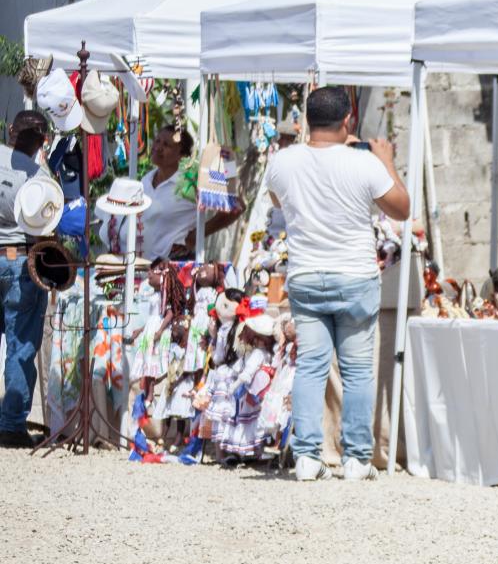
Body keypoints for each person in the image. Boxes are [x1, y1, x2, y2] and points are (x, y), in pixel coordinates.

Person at [262, 87, 411, 482]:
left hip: (306, 275)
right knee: (357, 371)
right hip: (355, 276)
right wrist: (386, 159)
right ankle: (357, 459)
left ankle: (307, 456)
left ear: (307, 120)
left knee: (310, 366)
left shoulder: (282, 161)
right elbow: (402, 208)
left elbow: (278, 201)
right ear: (348, 120)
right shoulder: (364, 163)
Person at [99, 127, 242, 260]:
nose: (158, 147)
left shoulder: (190, 182)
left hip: (174, 266)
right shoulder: (146, 180)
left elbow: (237, 207)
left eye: (166, 145)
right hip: (142, 267)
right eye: (157, 141)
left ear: (182, 155)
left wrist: (195, 236)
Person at [0, 110, 54, 448]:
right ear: (42, 142)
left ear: (11, 130)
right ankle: (11, 426)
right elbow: (46, 228)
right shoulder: (39, 177)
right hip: (20, 260)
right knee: (20, 346)